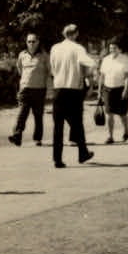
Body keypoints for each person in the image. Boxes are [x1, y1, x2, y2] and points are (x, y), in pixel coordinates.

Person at [48, 24, 97, 168]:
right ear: (75, 34)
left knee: (58, 126)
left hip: (58, 89)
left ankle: (58, 159)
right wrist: (91, 71)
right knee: (77, 123)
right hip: (73, 90)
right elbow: (90, 62)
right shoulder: (78, 48)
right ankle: (82, 153)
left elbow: (53, 68)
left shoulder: (55, 48)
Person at [9, 33, 52, 147]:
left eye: (33, 41)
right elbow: (20, 69)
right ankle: (17, 136)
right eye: (29, 41)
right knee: (22, 113)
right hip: (25, 89)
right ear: (26, 42)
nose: (31, 44)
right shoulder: (22, 55)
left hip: (39, 89)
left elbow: (49, 72)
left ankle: (37, 138)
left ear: (38, 42)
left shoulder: (44, 56)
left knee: (38, 115)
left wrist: (49, 89)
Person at [98, 39, 128, 144]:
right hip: (108, 89)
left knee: (122, 114)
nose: (112, 50)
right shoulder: (106, 59)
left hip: (121, 89)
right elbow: (102, 76)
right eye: (110, 48)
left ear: (119, 49)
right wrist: (99, 91)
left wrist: (126, 90)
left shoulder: (124, 59)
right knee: (109, 113)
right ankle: (110, 136)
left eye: (114, 48)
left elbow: (127, 76)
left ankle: (126, 130)